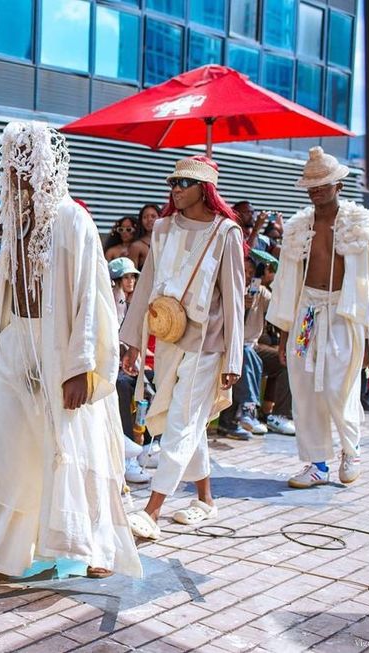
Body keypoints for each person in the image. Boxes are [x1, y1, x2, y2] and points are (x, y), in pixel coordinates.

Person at [0, 121, 141, 586]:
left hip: (61, 352)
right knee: (5, 450)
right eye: (9, 158)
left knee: (73, 448)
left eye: (23, 157)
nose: (13, 169)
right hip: (15, 347)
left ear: (44, 163)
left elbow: (93, 300)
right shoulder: (14, 221)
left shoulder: (73, 219)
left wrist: (81, 365)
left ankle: (95, 542)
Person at [121, 155, 245, 539]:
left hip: (208, 342)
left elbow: (235, 298)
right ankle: (205, 500)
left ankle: (153, 511)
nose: (174, 188)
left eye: (182, 183)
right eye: (172, 181)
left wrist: (234, 357)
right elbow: (146, 285)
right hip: (168, 335)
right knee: (185, 419)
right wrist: (130, 341)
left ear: (204, 189)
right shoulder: (161, 228)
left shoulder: (227, 232)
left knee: (181, 420)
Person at [266, 147, 369, 489]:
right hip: (306, 313)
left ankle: (350, 451)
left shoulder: (362, 225)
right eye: (312, 185)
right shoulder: (298, 228)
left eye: (323, 183)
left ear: (339, 184)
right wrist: (283, 334)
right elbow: (285, 285)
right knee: (304, 385)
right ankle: (317, 463)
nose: (317, 189)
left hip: (345, 312)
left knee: (341, 386)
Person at [217, 254, 295, 440]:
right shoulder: (225, 287)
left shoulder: (258, 291)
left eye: (251, 272)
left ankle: (279, 415)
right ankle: (243, 413)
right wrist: (237, 305)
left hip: (252, 345)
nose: (247, 275)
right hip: (226, 347)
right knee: (243, 355)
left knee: (286, 360)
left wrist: (278, 280)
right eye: (243, 271)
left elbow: (279, 305)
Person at [108, 257, 151, 485]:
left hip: (123, 365)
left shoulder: (127, 303)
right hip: (107, 369)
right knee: (122, 387)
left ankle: (145, 446)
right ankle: (125, 457)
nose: (131, 280)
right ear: (115, 280)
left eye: (133, 276)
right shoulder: (106, 302)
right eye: (126, 276)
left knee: (149, 386)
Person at [131, 203, 160, 270]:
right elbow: (132, 275)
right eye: (145, 217)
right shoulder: (136, 246)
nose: (149, 219)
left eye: (153, 216)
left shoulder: (167, 241)